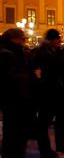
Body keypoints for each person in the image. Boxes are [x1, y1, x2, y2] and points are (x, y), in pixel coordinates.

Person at [31, 29, 64, 157]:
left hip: (55, 91)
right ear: (51, 40)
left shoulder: (49, 51)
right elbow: (58, 69)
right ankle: (46, 150)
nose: (59, 41)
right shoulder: (44, 53)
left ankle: (61, 145)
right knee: (45, 122)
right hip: (48, 91)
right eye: (57, 39)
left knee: (60, 119)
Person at [0, 28, 35, 158]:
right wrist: (28, 77)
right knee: (13, 133)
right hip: (14, 98)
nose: (24, 41)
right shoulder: (7, 54)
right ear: (12, 39)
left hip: (18, 98)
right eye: (22, 39)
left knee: (15, 133)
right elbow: (8, 78)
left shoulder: (17, 52)